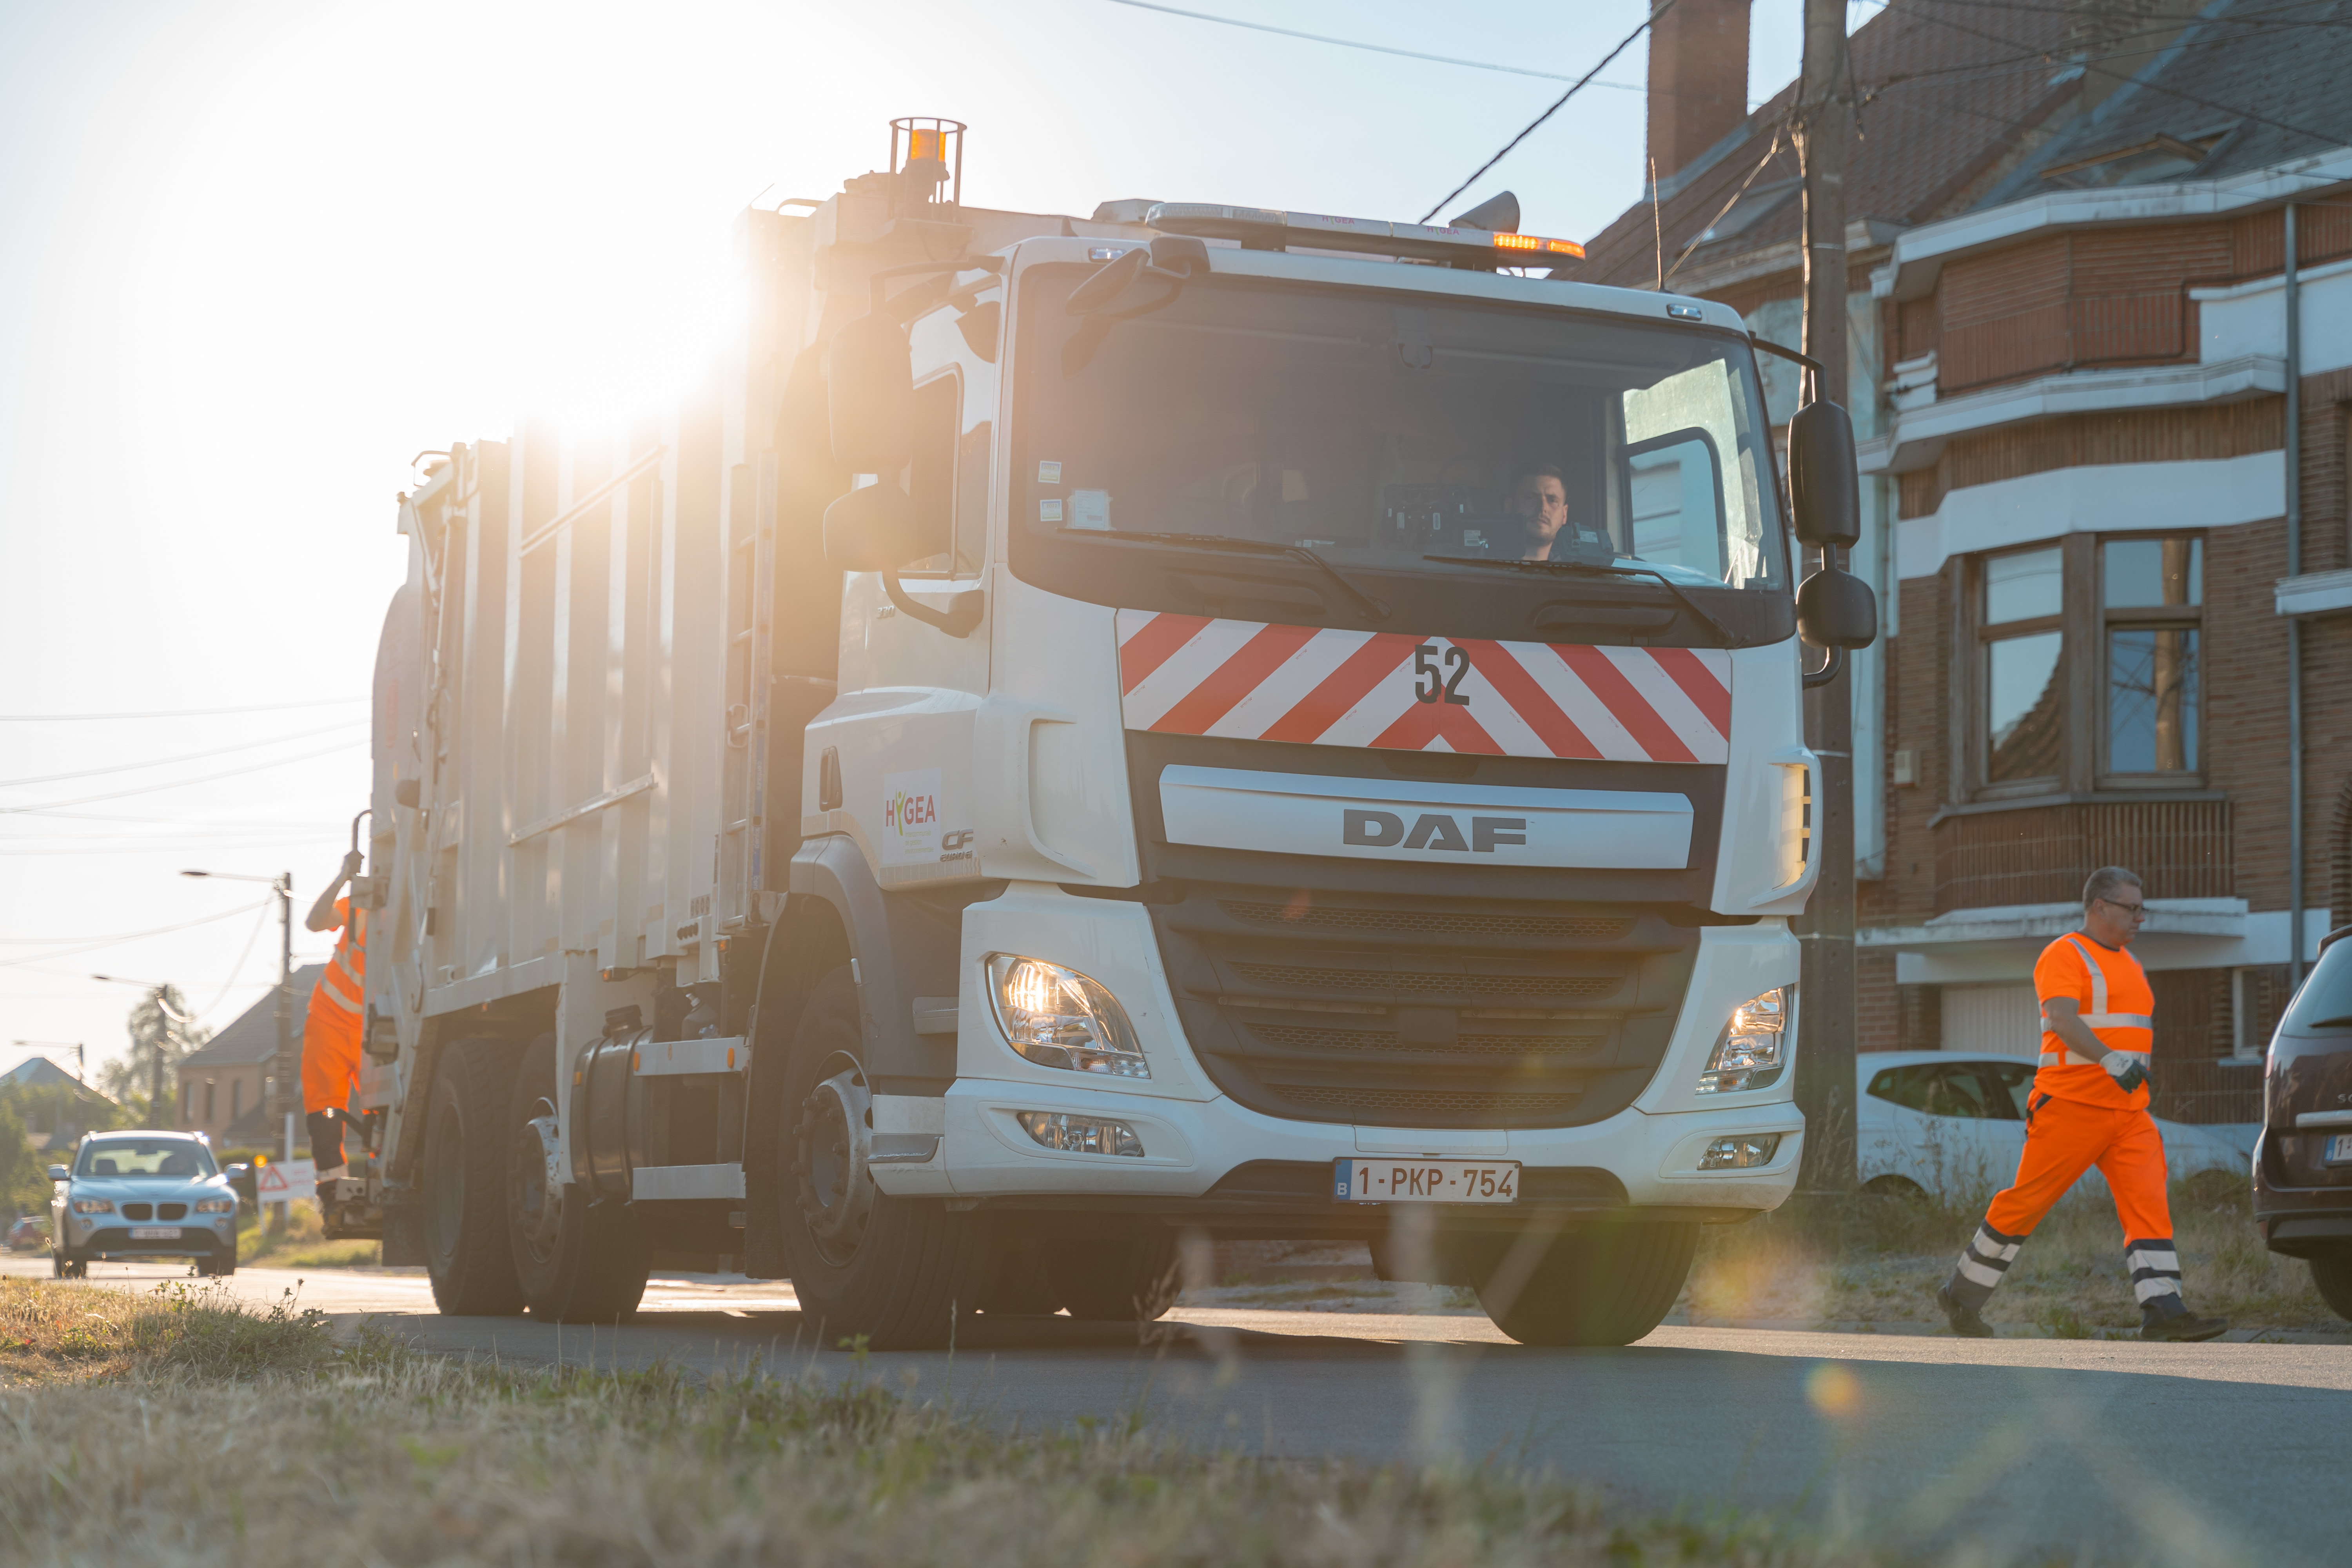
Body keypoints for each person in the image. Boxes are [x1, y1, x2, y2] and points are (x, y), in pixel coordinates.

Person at [1936, 867, 2229, 1342]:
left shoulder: (2131, 963)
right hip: (2070, 1105)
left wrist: (2125, 1073)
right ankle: (1961, 1294)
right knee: (2026, 1203)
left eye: (2142, 908)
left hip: (2129, 1113)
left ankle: (2164, 1311)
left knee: (2148, 1205)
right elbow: (2062, 1019)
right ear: (2100, 907)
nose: (2140, 917)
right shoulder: (2064, 954)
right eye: (2131, 908)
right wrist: (2113, 1061)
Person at [301, 849, 367, 1199]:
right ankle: (333, 1194)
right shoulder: (363, 903)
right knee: (326, 1109)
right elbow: (314, 922)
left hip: (373, 1030)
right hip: (329, 1020)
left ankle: (388, 1182)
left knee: (382, 1113)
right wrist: (343, 877)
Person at [1505, 463, 1571, 560]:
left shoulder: (1573, 574)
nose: (1542, 508)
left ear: (1564, 514)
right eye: (1531, 497)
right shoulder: (1483, 566)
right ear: (1509, 507)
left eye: (1552, 500)